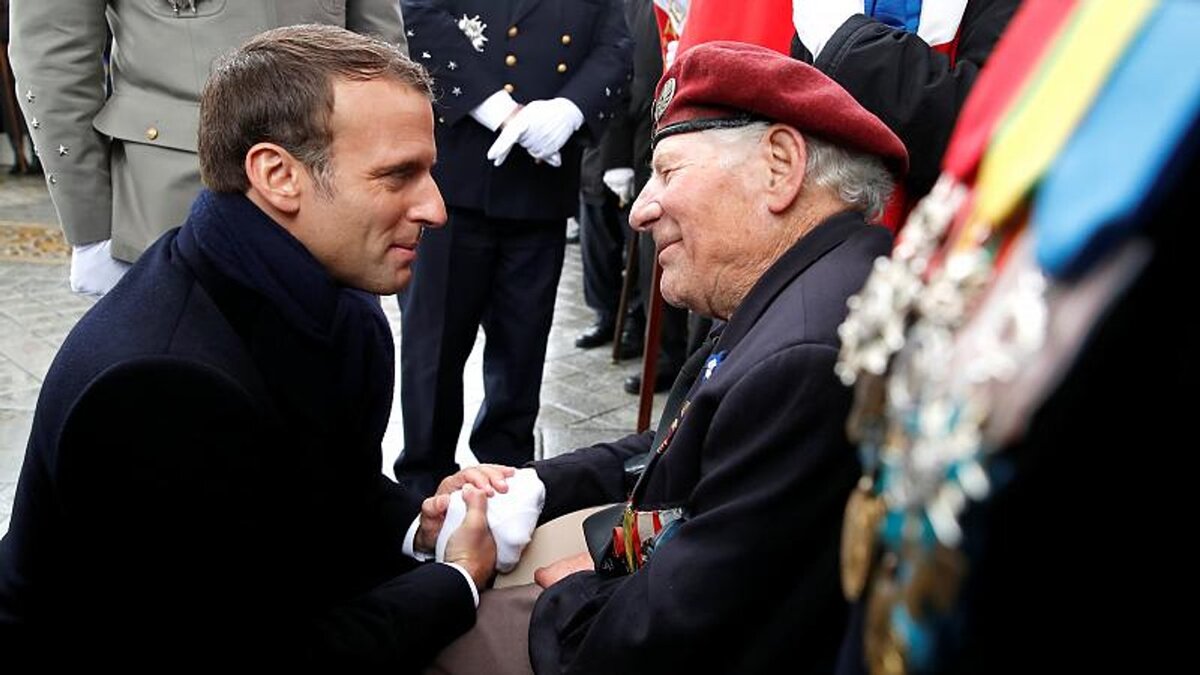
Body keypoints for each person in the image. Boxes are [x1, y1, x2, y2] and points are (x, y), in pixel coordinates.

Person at [0, 25, 499, 669]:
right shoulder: (159, 385)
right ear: (277, 175)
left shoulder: (323, 290)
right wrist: (456, 581)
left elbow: (323, 489)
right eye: (397, 175)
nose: (435, 208)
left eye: (429, 171)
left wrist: (416, 527)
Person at [426, 40, 909, 674]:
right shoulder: (813, 284)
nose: (640, 210)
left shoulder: (801, 357)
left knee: (436, 635)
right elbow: (682, 441)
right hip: (649, 568)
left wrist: (578, 588)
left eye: (669, 172)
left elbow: (669, 635)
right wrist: (539, 483)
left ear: (780, 166)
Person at [393, 0, 632, 497]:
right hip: (454, 180)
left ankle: (505, 492)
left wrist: (570, 110)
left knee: (522, 353)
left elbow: (616, 47)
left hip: (540, 186)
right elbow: (417, 15)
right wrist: (502, 112)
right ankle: (423, 491)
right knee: (433, 351)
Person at [8, 0, 407, 296]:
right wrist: (91, 227)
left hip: (334, 194)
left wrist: (393, 179)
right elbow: (53, 57)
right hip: (178, 206)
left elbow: (378, 44)